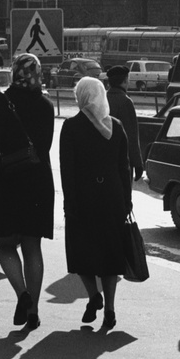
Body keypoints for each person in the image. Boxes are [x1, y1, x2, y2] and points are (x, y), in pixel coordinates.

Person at [0, 53, 54, 329]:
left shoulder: (2, 101)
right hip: (38, 183)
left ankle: (21, 293)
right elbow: (44, 147)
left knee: (5, 244)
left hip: (6, 182)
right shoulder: (46, 105)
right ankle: (33, 309)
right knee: (33, 246)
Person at [60, 77, 133, 330]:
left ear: (81, 97)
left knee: (82, 252)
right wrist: (127, 200)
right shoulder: (116, 126)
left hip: (84, 197)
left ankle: (93, 296)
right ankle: (110, 309)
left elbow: (66, 171)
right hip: (112, 198)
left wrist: (69, 204)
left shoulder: (71, 127)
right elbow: (124, 167)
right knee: (110, 253)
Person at [105, 65, 143, 181]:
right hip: (121, 159)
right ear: (125, 81)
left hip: (103, 157)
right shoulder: (126, 101)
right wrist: (137, 162)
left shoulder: (102, 99)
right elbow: (131, 134)